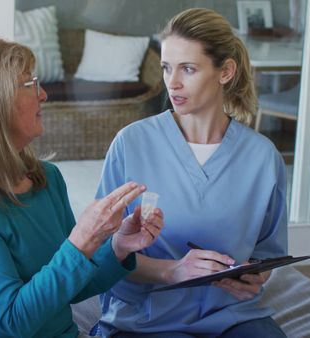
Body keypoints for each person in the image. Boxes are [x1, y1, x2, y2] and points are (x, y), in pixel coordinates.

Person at [0, 38, 165, 338]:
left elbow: (73, 286)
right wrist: (81, 241)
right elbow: (13, 320)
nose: (44, 94)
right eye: (29, 84)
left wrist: (118, 246)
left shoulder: (46, 178)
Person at [94, 8, 288, 338]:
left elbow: (267, 252)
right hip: (145, 318)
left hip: (232, 314)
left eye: (188, 68)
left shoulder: (262, 156)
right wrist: (172, 271)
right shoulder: (132, 143)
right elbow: (101, 251)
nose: (173, 82)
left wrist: (255, 277)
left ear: (225, 71)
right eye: (167, 68)